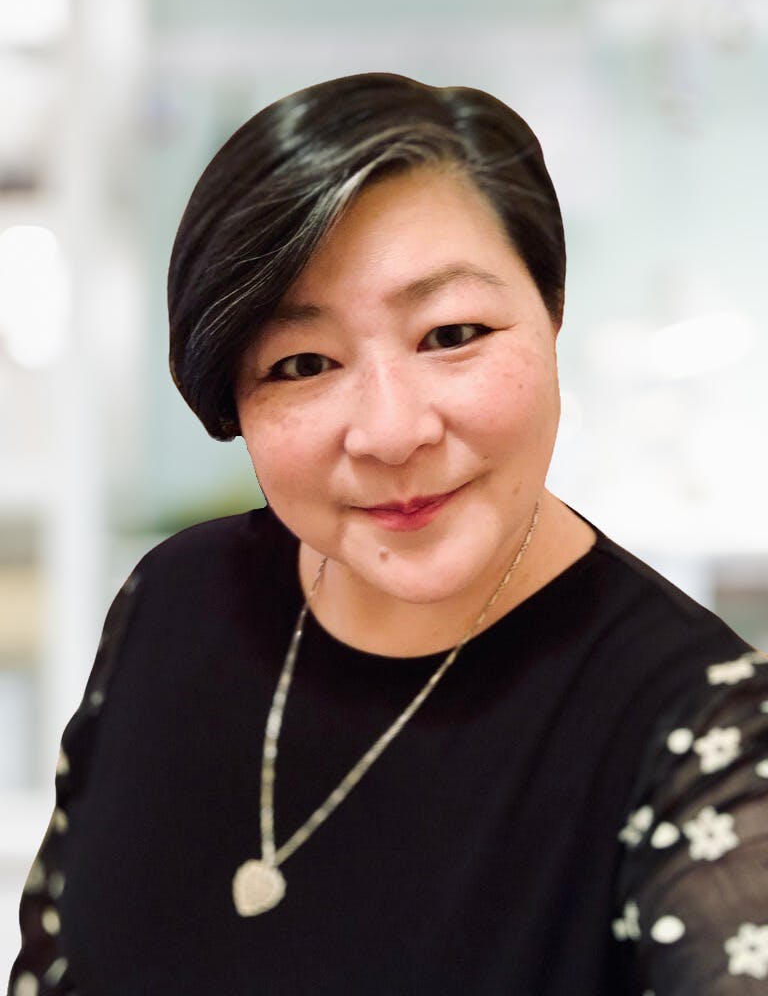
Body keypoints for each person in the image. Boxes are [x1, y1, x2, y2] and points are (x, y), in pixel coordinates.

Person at [8, 72, 768, 996]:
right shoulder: (176, 598)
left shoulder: (711, 735)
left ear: (553, 311)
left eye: (450, 334)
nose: (390, 431)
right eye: (301, 364)